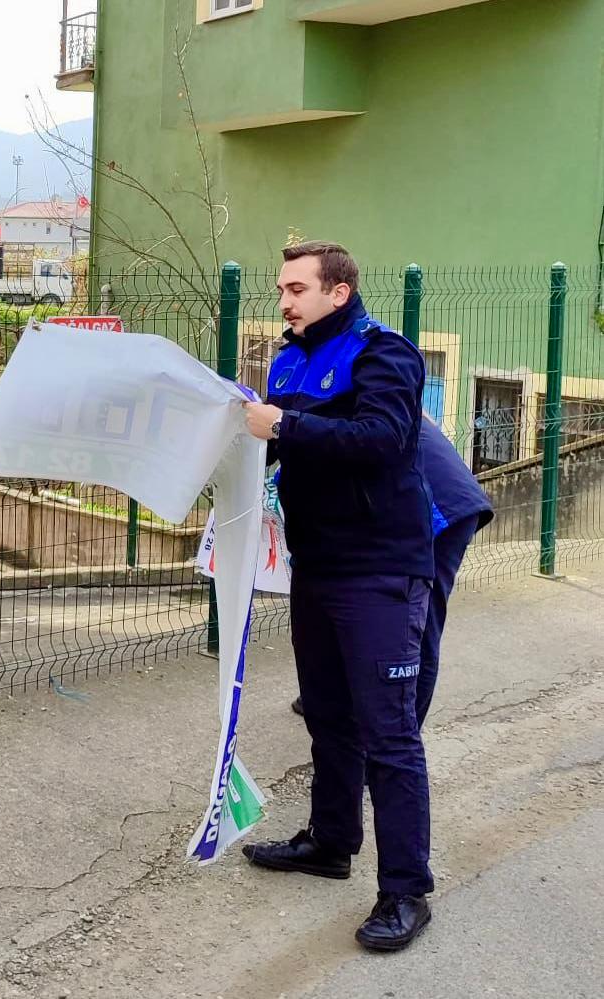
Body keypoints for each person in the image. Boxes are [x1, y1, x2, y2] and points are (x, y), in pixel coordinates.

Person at [240, 242, 436, 952]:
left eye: (296, 288)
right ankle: (329, 842)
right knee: (326, 714)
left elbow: (381, 440)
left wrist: (283, 425)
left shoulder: (384, 354)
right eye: (281, 289)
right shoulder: (288, 359)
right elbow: (275, 444)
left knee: (388, 732)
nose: (284, 301)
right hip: (316, 565)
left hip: (380, 568)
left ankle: (406, 889)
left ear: (339, 292)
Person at [292, 415, 493, 725]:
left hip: (440, 510)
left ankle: (402, 733)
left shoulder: (332, 408)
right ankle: (338, 704)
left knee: (418, 627)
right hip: (418, 503)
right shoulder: (321, 407)